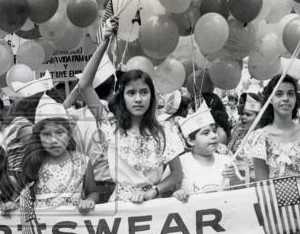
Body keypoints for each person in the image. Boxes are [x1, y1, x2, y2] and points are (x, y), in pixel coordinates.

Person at [100, 69, 184, 203]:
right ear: (122, 97)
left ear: (152, 96)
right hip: (121, 206)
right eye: (131, 93)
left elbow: (177, 174)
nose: (138, 99)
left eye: (144, 92)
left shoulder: (165, 130)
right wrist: (104, 47)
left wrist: (154, 191)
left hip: (153, 204)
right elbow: (84, 86)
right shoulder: (112, 127)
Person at [19, 95, 98, 213]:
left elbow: (93, 191)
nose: (54, 140)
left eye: (59, 132)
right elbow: (22, 198)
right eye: (46, 134)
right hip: (43, 227)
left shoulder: (82, 162)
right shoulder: (33, 163)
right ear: (38, 138)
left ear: (70, 133)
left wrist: (89, 200)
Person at [239, 74, 300, 181]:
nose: (285, 98)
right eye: (279, 94)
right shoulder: (259, 137)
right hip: (275, 196)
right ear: (270, 99)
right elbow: (262, 182)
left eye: (290, 94)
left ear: (295, 98)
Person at [173, 109, 238, 200]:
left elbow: (239, 192)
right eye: (205, 133)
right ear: (191, 141)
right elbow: (165, 194)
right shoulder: (179, 163)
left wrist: (234, 178)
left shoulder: (226, 160)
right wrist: (176, 194)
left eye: (214, 131)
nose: (214, 136)